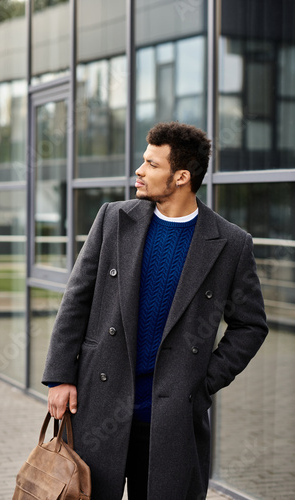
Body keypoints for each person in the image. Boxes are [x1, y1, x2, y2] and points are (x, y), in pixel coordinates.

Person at [42, 121, 268, 500]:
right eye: (143, 161)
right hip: (102, 406)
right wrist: (60, 376)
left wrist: (204, 379)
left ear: (181, 176)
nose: (139, 171)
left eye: (151, 164)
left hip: (173, 418)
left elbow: (250, 325)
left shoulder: (230, 244)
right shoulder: (115, 219)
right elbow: (76, 298)